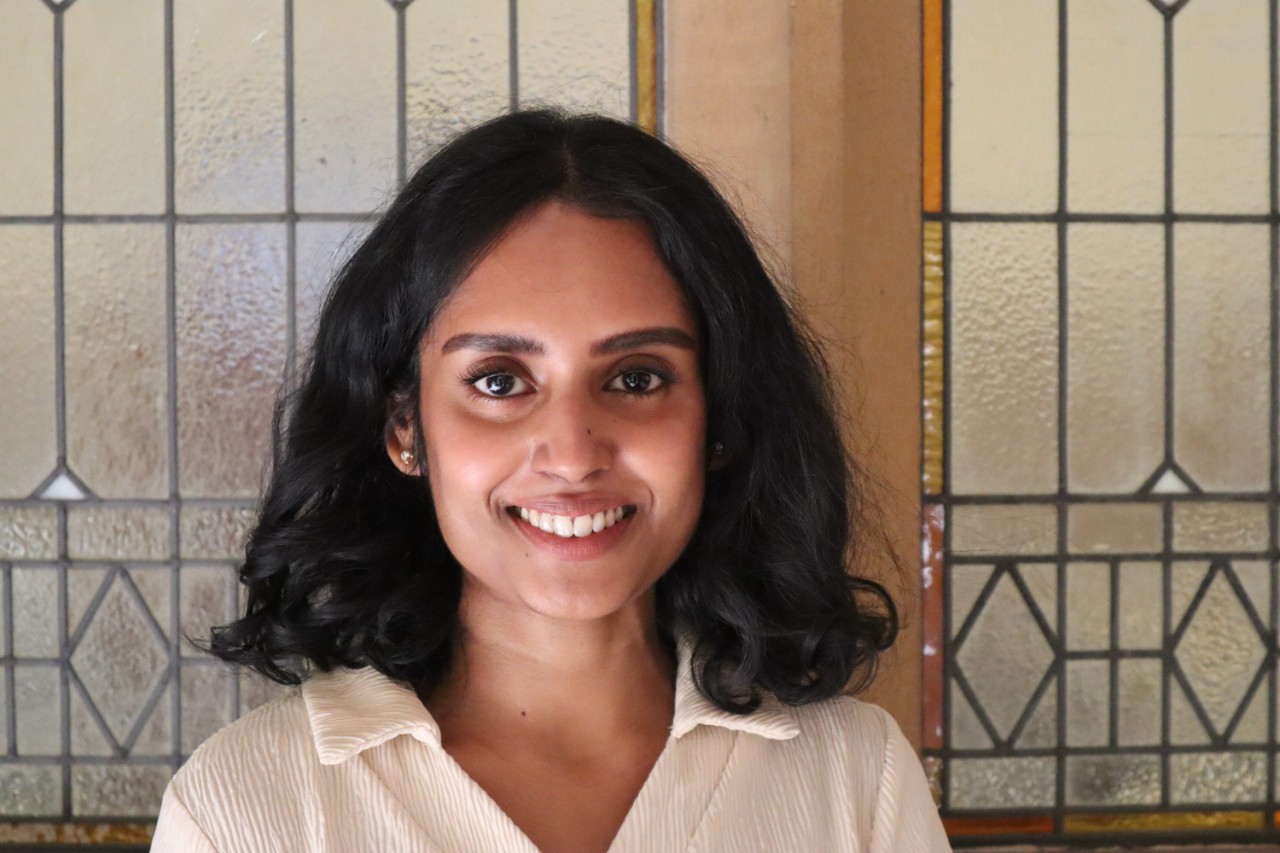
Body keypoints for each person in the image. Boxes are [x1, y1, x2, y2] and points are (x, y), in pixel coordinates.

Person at [151, 109, 951, 853]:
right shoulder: (245, 809)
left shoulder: (855, 778)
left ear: (720, 418)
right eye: (500, 381)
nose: (572, 454)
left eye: (637, 378)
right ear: (405, 427)